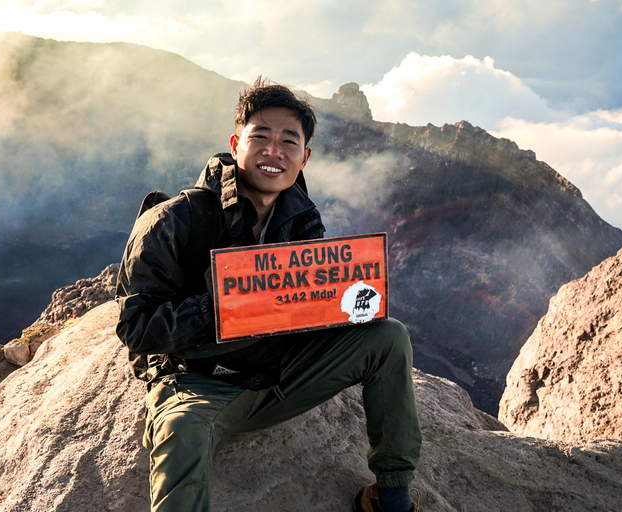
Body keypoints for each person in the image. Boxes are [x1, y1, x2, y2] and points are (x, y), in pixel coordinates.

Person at [115, 77, 421, 512]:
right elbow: (136, 327)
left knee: (388, 336)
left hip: (279, 374)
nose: (273, 151)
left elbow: (303, 311)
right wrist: (226, 308)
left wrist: (343, 303)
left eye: (289, 141)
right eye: (260, 136)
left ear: (304, 156)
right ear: (236, 144)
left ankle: (392, 499)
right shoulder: (175, 220)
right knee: (182, 431)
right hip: (201, 382)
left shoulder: (301, 221)